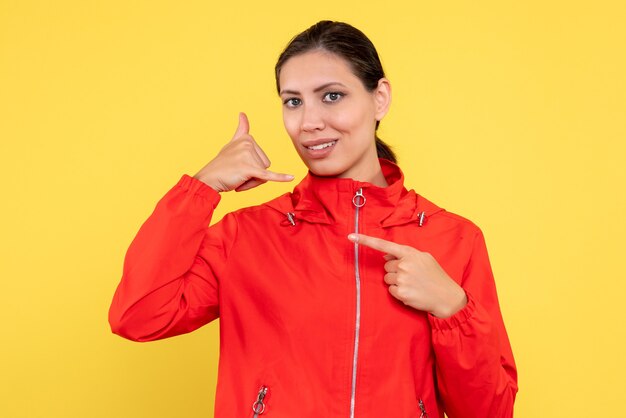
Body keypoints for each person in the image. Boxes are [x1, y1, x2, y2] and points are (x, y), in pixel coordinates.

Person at [109, 20, 518, 418]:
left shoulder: (454, 239)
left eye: (332, 96)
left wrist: (453, 308)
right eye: (293, 101)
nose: (309, 122)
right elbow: (139, 316)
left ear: (380, 98)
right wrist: (202, 188)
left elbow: (489, 412)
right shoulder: (247, 236)